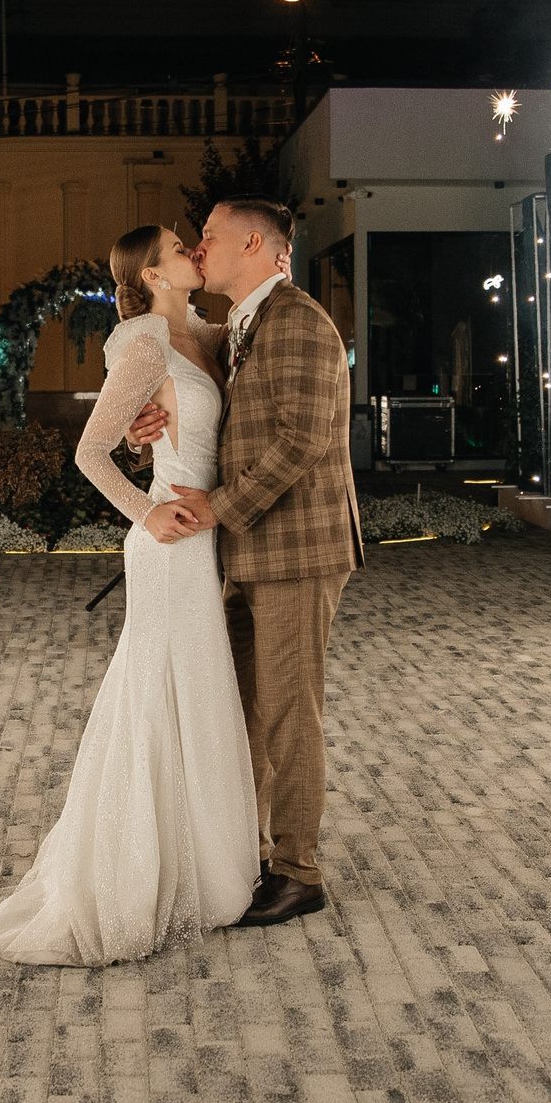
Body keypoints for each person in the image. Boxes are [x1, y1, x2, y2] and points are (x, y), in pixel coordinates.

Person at [0, 225, 261, 965]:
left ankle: (204, 863)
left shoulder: (203, 334)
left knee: (195, 694)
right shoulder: (146, 345)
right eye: (180, 245)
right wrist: (147, 508)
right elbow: (89, 449)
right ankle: (129, 874)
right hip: (167, 544)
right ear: (154, 274)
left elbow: (247, 329)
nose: (196, 248)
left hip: (202, 544)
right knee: (155, 701)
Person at [131, 198, 361, 928]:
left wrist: (215, 508)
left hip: (295, 547)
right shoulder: (237, 325)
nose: (199, 249)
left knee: (290, 712)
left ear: (254, 243)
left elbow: (299, 441)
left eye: (209, 236)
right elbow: (210, 413)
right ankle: (246, 849)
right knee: (240, 709)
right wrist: (153, 431)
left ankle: (298, 870)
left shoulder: (297, 321)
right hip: (249, 549)